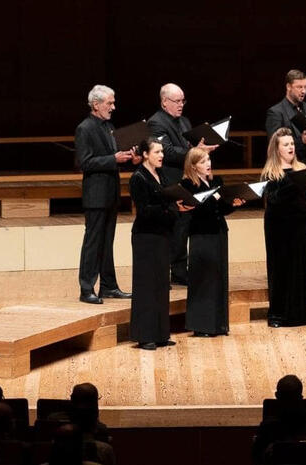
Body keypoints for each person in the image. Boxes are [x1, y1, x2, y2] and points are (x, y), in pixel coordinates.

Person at [74, 85, 138, 304]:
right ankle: (86, 288)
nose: (113, 107)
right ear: (96, 104)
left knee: (107, 242)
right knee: (93, 242)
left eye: (113, 102)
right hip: (95, 195)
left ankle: (109, 286)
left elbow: (113, 154)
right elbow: (84, 162)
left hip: (110, 192)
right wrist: (114, 159)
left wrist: (128, 156)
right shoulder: (85, 128)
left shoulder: (108, 126)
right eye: (109, 103)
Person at [149, 83, 216, 286]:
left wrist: (201, 147)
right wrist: (195, 151)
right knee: (174, 227)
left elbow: (189, 146)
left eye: (183, 101)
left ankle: (180, 270)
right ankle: (172, 270)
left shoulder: (184, 121)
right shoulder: (156, 122)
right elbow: (167, 151)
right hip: (171, 180)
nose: (181, 105)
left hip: (188, 180)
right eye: (177, 101)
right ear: (164, 102)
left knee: (184, 226)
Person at [266, 69, 306, 279]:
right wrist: (300, 141)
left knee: (305, 219)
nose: (303, 91)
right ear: (288, 87)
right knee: (289, 219)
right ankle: (288, 266)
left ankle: (305, 265)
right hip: (286, 175)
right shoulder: (276, 111)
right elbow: (273, 142)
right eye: (299, 87)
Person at [129, 138, 191, 350]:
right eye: (157, 152)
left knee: (162, 284)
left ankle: (161, 333)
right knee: (146, 286)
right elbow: (145, 210)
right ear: (145, 154)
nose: (161, 155)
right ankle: (145, 335)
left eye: (162, 151)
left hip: (162, 234)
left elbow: (168, 199)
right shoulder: (138, 177)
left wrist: (177, 206)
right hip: (146, 236)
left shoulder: (161, 174)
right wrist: (173, 210)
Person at [260, 128, 306, 327]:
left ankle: (301, 314)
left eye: (292, 144)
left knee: (300, 268)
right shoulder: (271, 172)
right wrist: (293, 183)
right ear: (277, 149)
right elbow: (274, 201)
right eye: (286, 144)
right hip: (279, 228)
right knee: (281, 270)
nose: (290, 147)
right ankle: (278, 315)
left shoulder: (302, 168)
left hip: (300, 225)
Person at [179, 146, 236, 337]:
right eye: (203, 161)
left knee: (219, 277)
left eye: (209, 160)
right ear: (193, 166)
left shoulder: (216, 181)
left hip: (219, 232)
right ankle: (202, 325)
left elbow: (222, 209)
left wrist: (233, 204)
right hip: (201, 234)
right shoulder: (188, 185)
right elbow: (199, 210)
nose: (208, 164)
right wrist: (216, 199)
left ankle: (218, 324)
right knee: (203, 279)